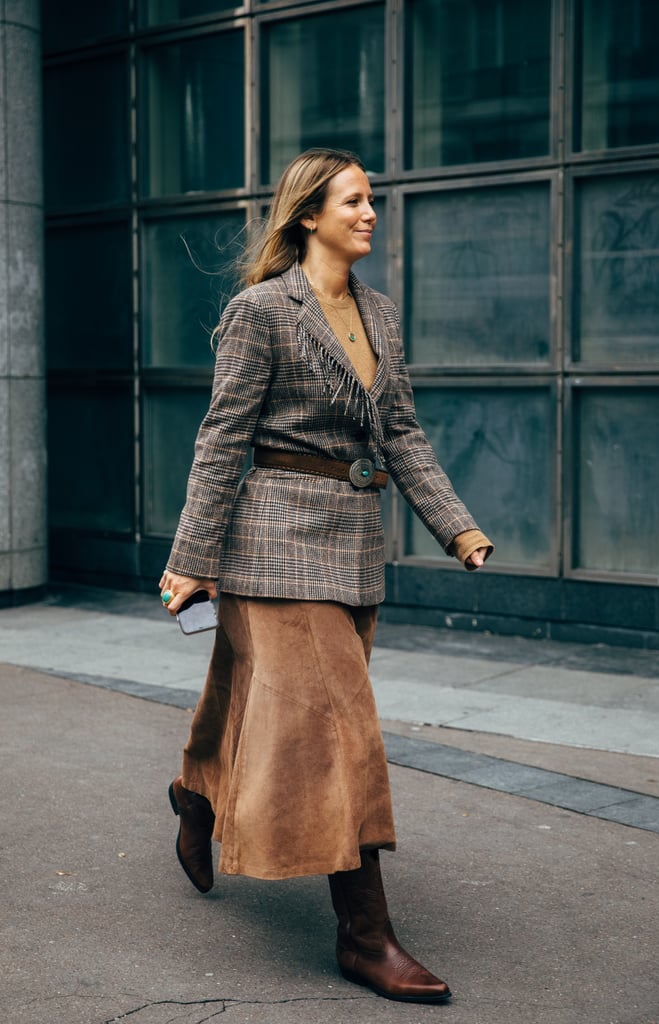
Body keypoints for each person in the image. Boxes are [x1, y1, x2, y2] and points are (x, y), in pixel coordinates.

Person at [159, 147, 493, 1005]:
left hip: (352, 547)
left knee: (249, 696)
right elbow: (222, 437)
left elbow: (404, 435)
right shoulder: (261, 311)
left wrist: (457, 527)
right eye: (352, 200)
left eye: (371, 200)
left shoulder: (378, 314)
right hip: (272, 538)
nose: (369, 212)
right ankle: (364, 935)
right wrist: (191, 561)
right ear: (308, 214)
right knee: (342, 735)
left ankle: (195, 795)